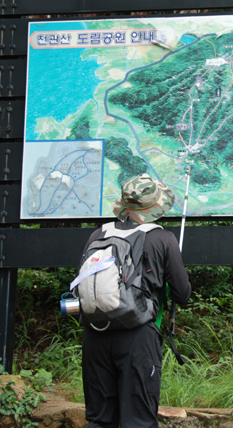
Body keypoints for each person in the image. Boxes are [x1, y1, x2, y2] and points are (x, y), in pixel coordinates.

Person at [81, 173, 191, 428]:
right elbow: (182, 294)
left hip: (95, 334)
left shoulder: (98, 235)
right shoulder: (162, 239)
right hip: (138, 336)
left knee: (99, 420)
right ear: (154, 206)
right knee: (139, 421)